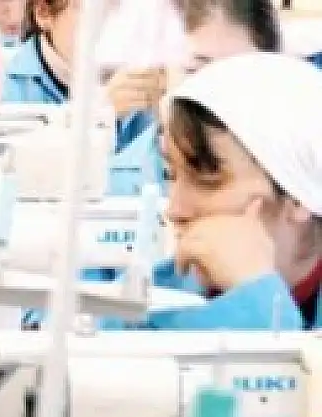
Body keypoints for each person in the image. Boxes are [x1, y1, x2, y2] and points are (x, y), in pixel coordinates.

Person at [100, 53, 322, 330]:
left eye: (207, 180)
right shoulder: (145, 306)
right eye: (170, 175)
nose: (175, 210)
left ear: (298, 196)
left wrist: (256, 296)